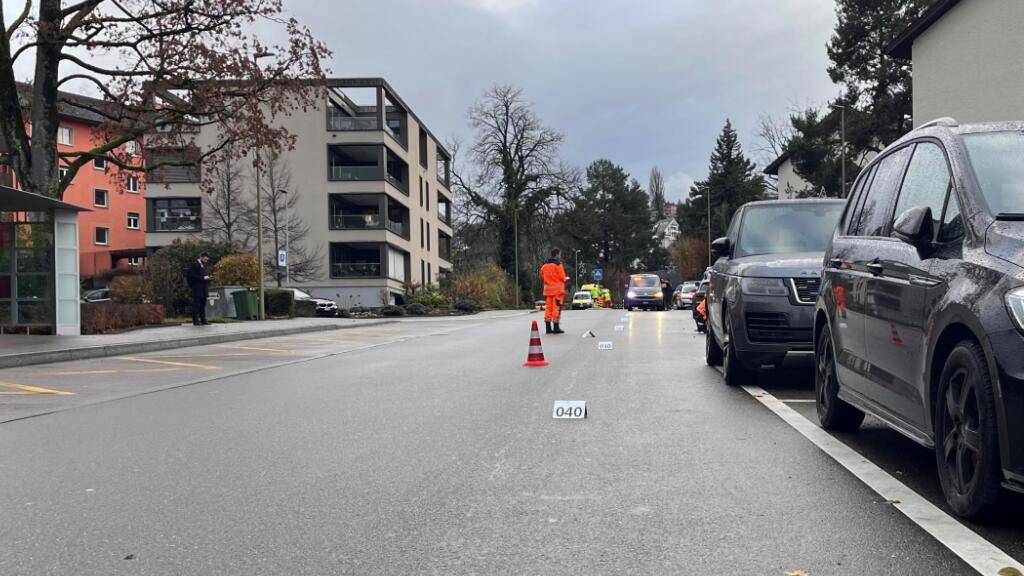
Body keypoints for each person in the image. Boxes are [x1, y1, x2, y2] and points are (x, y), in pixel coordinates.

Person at [540, 248, 568, 334]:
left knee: (548, 308)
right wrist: (565, 279)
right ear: (556, 254)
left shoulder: (544, 266)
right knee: (556, 308)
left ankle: (548, 328)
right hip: (557, 291)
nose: (560, 256)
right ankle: (556, 327)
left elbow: (542, 276)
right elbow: (562, 277)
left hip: (548, 290)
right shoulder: (558, 265)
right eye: (559, 254)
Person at [186, 253, 212, 326]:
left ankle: (203, 319)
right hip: (197, 287)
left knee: (203, 304)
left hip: (204, 287)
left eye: (207, 260)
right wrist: (202, 278)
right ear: (201, 257)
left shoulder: (204, 265)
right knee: (196, 304)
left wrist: (208, 278)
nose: (206, 261)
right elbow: (191, 276)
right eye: (205, 259)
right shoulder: (194, 265)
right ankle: (196, 320)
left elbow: (205, 274)